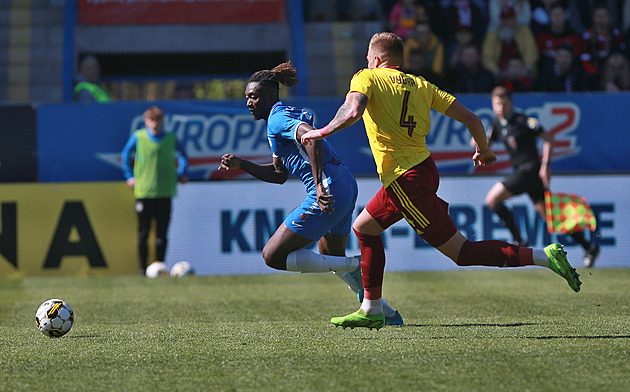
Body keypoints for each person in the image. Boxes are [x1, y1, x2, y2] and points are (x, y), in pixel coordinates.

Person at [301, 32, 582, 330]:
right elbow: (473, 120)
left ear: (375, 59)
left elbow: (353, 109)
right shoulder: (423, 85)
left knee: (462, 252)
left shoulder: (366, 77)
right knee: (365, 228)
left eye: (368, 59)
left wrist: (322, 132)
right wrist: (483, 150)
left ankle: (544, 256)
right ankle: (371, 308)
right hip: (421, 170)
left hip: (405, 179)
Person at [218, 62, 403, 325]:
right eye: (247, 97)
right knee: (331, 256)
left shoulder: (277, 118)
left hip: (329, 188)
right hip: (344, 183)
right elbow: (279, 174)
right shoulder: (279, 117)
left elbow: (312, 138)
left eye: (254, 96)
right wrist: (242, 164)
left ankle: (355, 263)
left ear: (271, 96)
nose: (248, 102)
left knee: (272, 256)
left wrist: (318, 185)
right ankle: (385, 312)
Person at [483, 86, 600, 267]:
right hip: (526, 175)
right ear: (492, 104)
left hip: (530, 170)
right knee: (550, 217)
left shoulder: (523, 120)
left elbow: (548, 139)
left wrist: (545, 165)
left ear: (511, 103)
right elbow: (485, 144)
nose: (501, 108)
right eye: (497, 104)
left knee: (492, 200)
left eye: (504, 103)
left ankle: (518, 240)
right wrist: (477, 142)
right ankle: (589, 247)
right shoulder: (496, 124)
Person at [121, 106, 189, 275]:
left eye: (158, 120)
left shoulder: (170, 139)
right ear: (146, 122)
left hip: (164, 191)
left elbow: (183, 156)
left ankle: (160, 267)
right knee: (143, 233)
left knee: (162, 233)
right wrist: (129, 176)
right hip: (144, 192)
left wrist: (181, 173)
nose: (155, 124)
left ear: (162, 121)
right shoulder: (139, 137)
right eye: (152, 120)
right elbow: (125, 155)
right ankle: (143, 269)